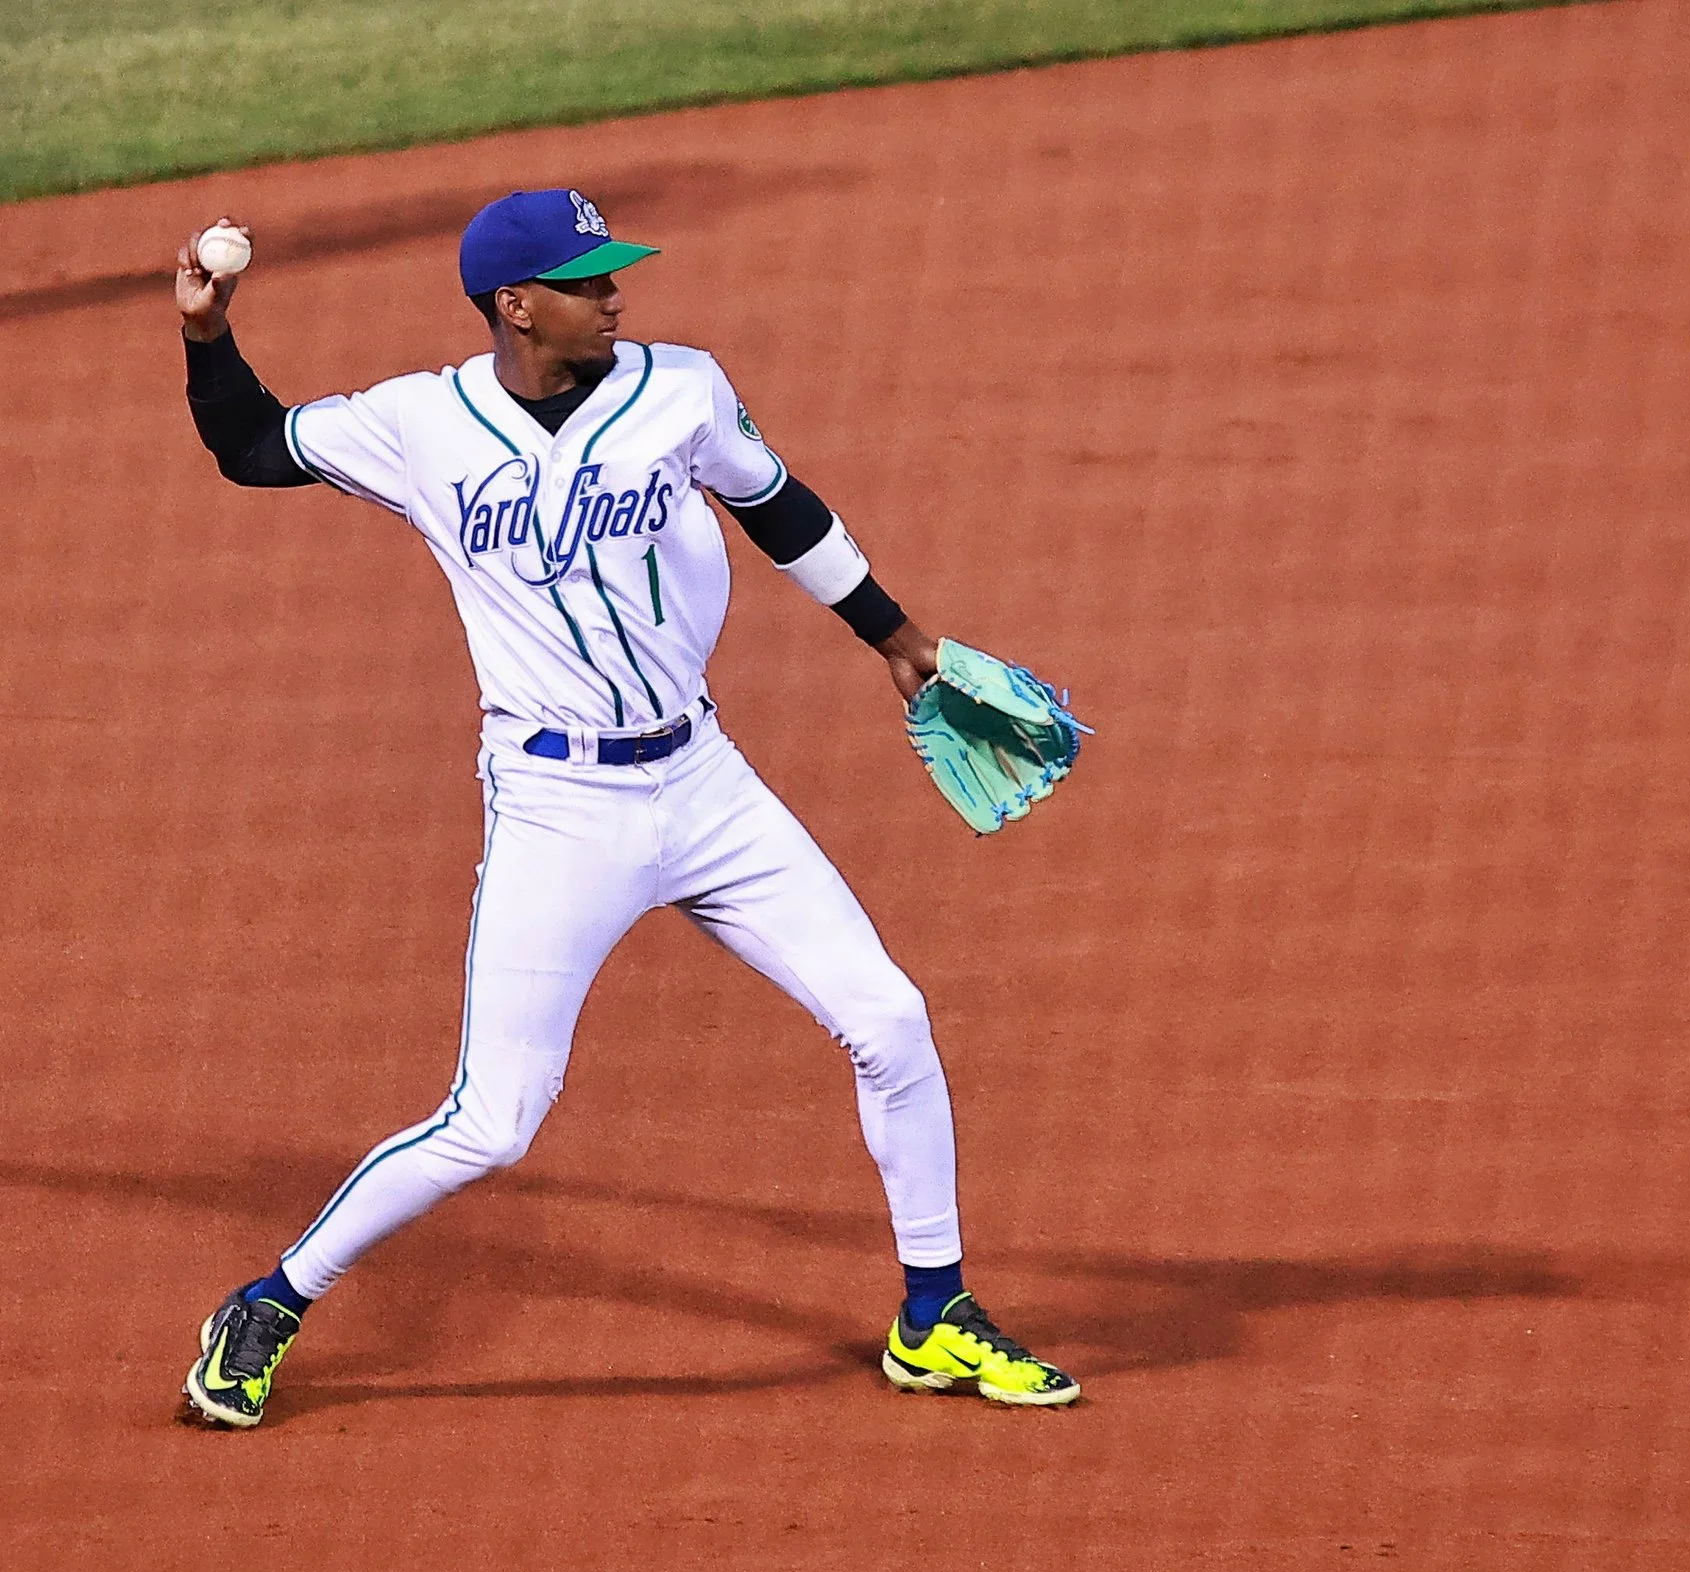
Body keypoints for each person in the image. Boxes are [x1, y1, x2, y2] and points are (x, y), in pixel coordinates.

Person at [174, 188, 1077, 1427]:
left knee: (891, 1018)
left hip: (706, 783)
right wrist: (207, 333)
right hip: (557, 808)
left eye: (611, 271)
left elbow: (777, 505)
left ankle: (935, 1314)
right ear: (516, 304)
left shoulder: (681, 388)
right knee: (493, 1122)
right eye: (587, 277)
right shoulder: (418, 423)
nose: (615, 290)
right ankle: (271, 1298)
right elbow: (250, 446)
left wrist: (898, 639)